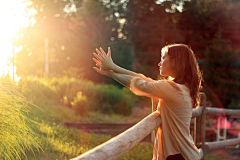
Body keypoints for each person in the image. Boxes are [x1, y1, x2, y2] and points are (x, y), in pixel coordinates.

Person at [93, 44, 203, 160]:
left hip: (177, 156)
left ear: (175, 62)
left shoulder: (172, 89)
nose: (159, 63)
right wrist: (112, 68)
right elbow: (143, 79)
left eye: (163, 58)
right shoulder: (183, 88)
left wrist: (111, 71)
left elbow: (138, 83)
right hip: (186, 153)